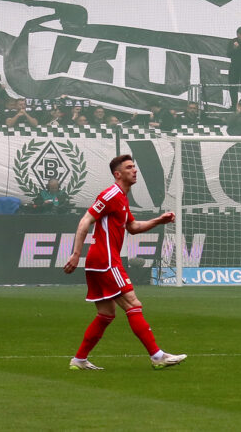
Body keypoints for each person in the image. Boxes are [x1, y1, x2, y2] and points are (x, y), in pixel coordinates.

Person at [63, 154, 186, 370]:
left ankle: (79, 360)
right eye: (129, 167)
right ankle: (157, 356)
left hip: (98, 261)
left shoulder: (121, 197)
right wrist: (75, 253)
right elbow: (85, 220)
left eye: (134, 167)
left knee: (106, 314)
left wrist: (159, 220)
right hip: (106, 260)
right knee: (133, 304)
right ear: (118, 174)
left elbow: (133, 227)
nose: (135, 170)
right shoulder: (110, 194)